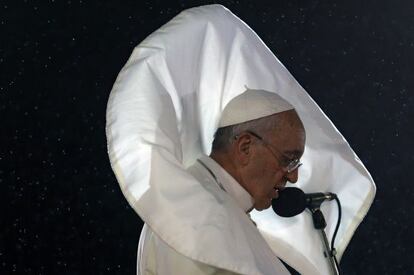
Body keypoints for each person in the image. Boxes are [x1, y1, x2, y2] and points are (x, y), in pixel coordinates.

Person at [137, 89, 305, 274]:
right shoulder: (202, 213)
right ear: (245, 147)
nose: (293, 176)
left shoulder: (196, 198)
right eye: (288, 160)